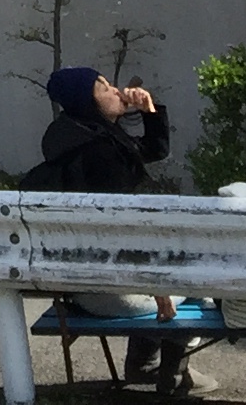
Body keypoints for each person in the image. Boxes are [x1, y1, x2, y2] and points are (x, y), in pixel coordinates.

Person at [22, 67, 196, 393]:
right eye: (103, 88)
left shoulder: (78, 141)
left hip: (80, 292)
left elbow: (153, 150)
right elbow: (125, 233)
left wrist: (149, 111)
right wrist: (158, 286)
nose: (116, 90)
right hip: (113, 296)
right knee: (202, 282)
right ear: (87, 102)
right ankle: (171, 376)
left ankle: (146, 365)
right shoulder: (100, 155)